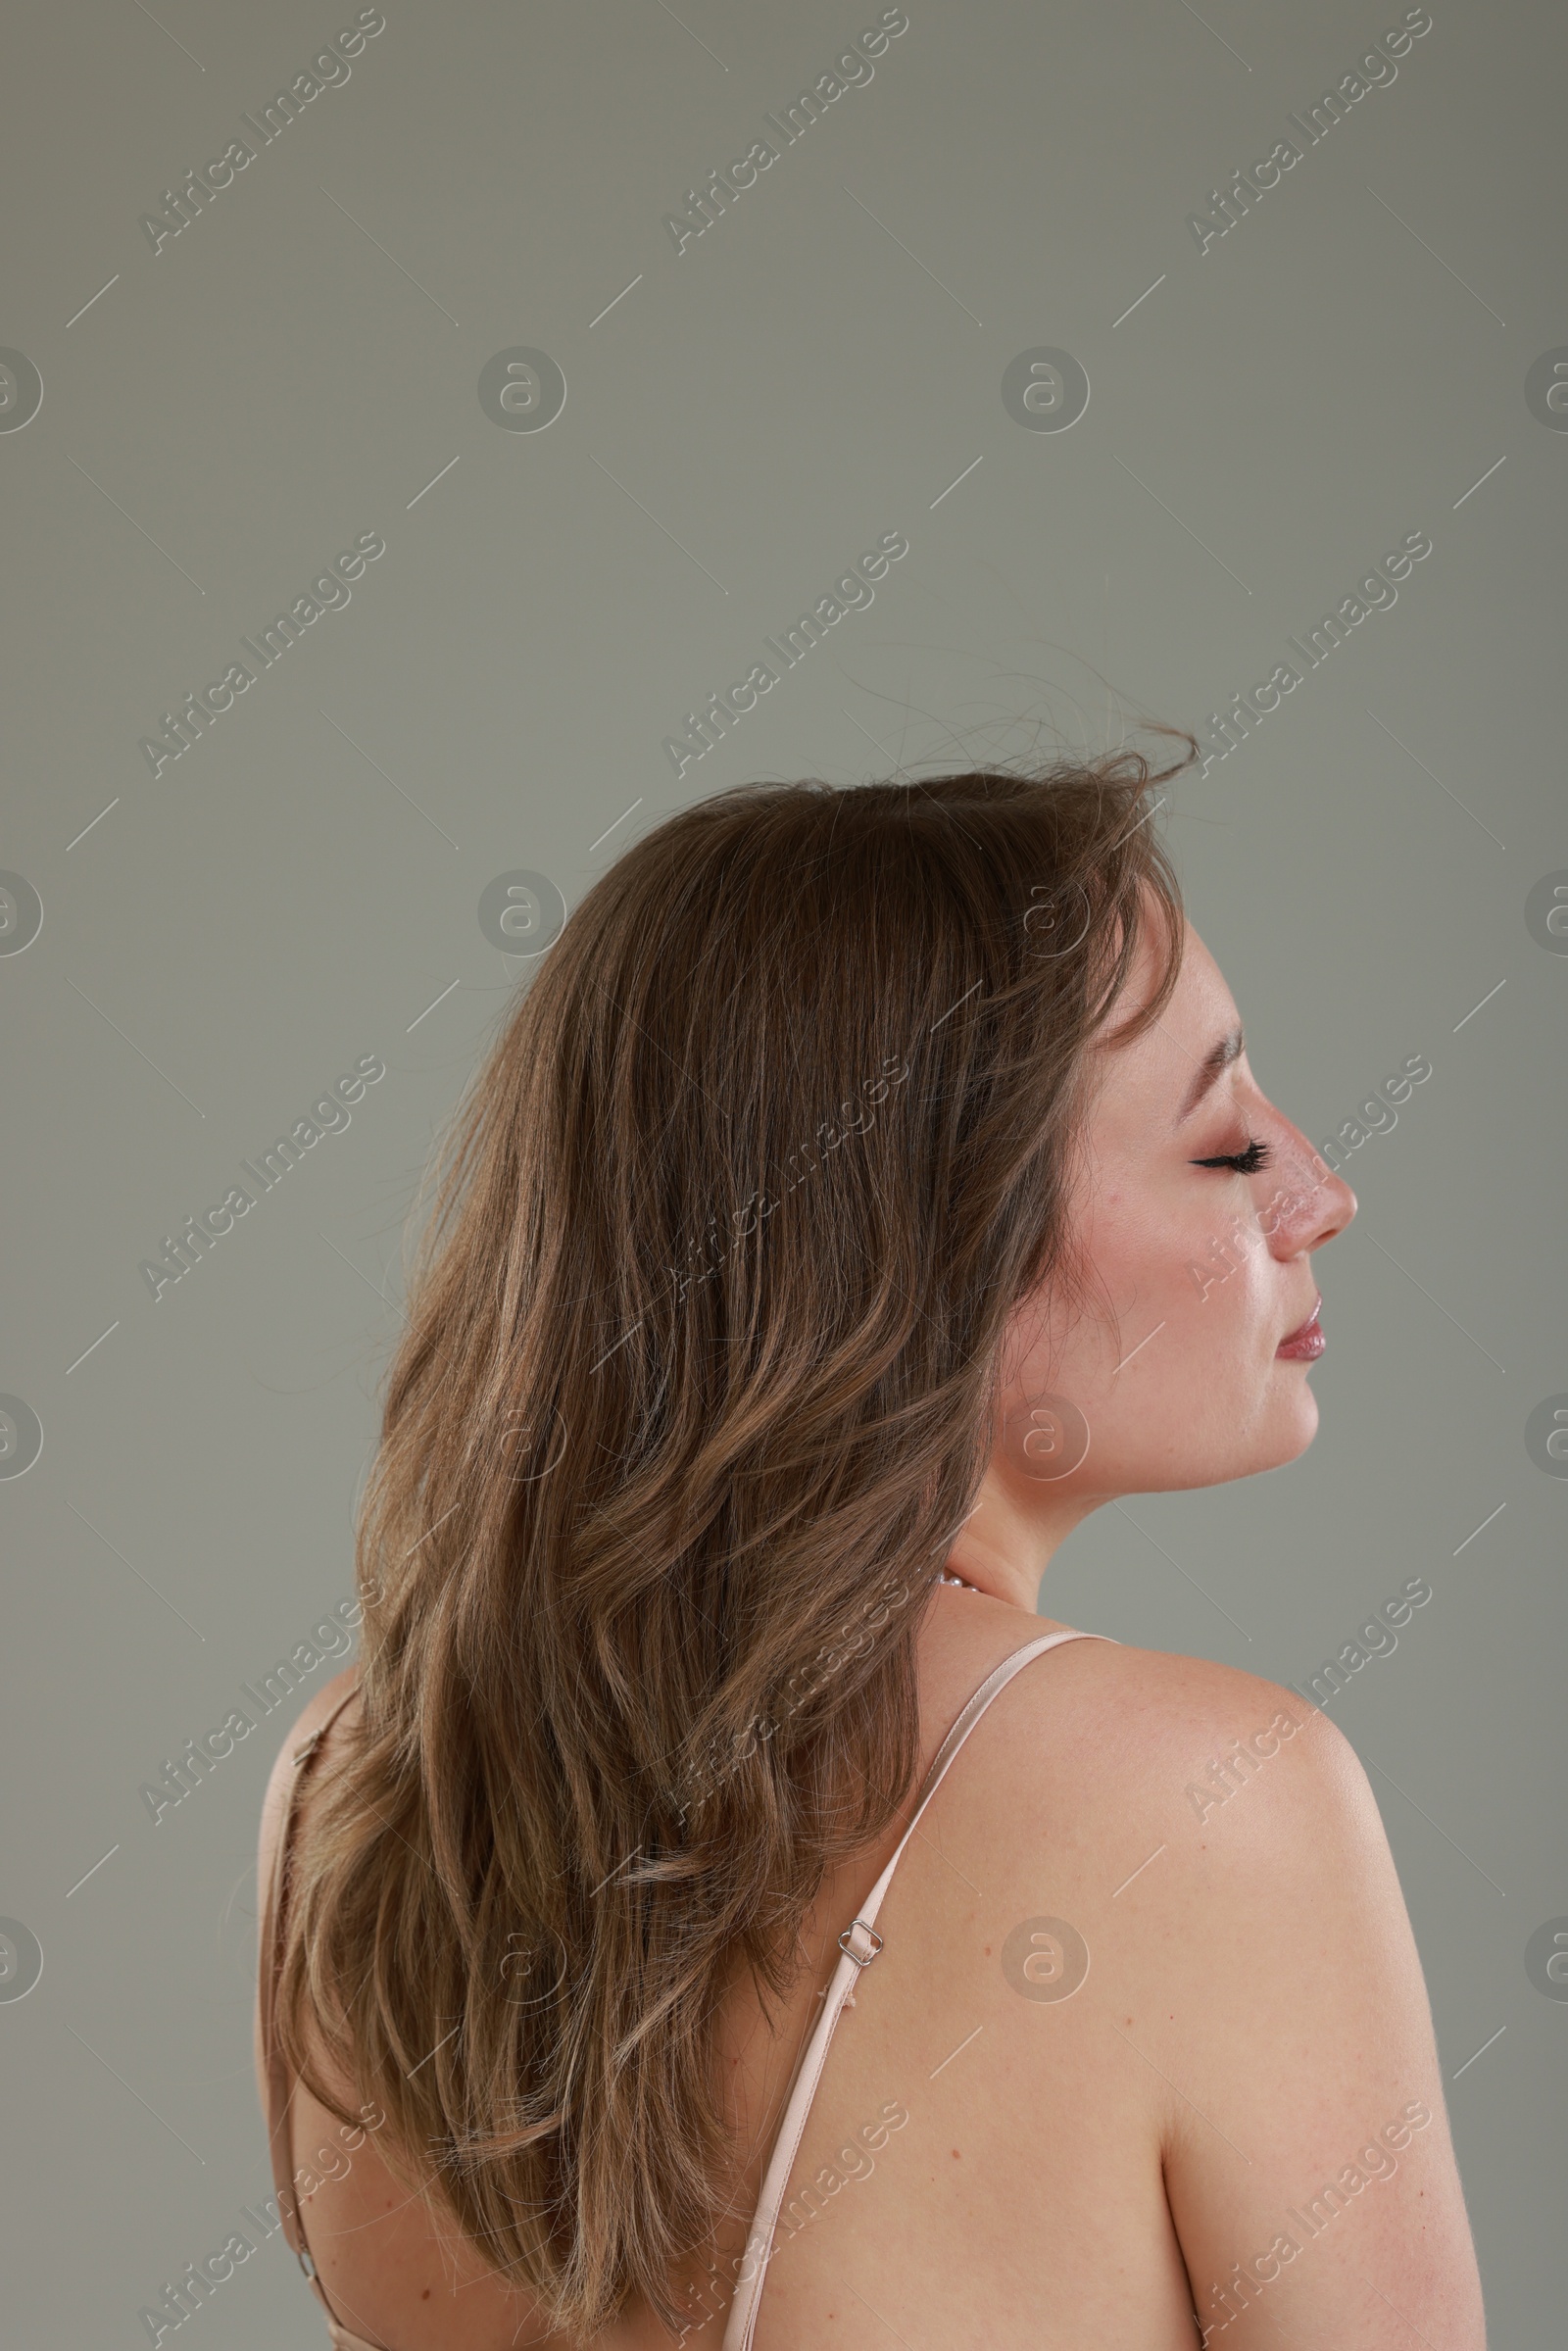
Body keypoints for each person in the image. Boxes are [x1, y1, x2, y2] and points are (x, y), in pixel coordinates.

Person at [256, 737, 1487, 2348]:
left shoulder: (359, 1779)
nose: (1319, 1193)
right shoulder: (1213, 1809)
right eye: (1219, 1143)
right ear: (923, 1266)